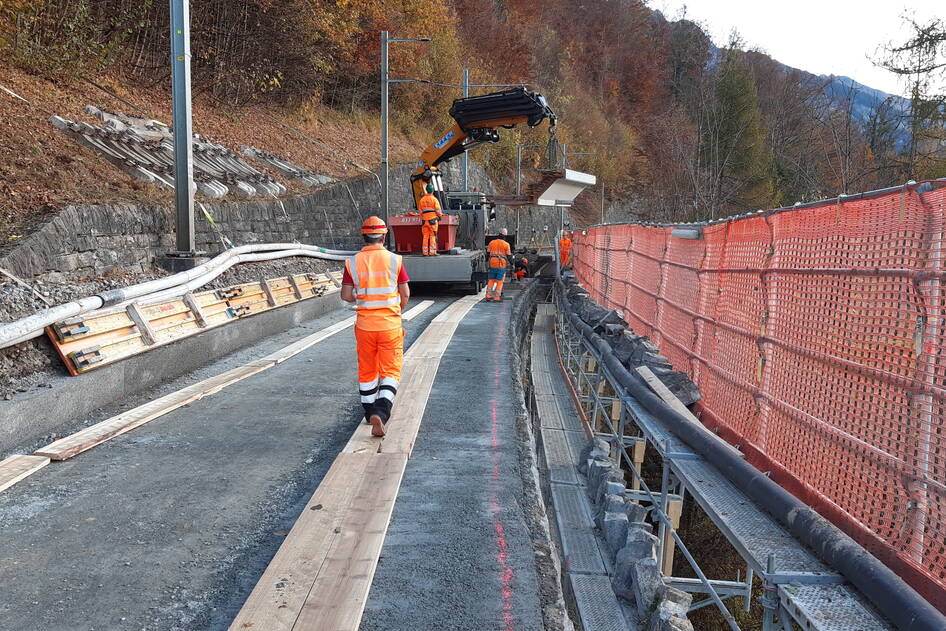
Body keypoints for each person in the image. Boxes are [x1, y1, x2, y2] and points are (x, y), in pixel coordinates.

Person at [341, 216, 410, 437]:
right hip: (389, 324)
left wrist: (363, 297)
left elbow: (346, 295)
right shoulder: (394, 260)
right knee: (390, 370)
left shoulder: (352, 262)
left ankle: (370, 410)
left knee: (367, 369)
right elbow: (405, 293)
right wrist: (395, 309)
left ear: (363, 235)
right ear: (384, 235)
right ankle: (381, 410)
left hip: (364, 325)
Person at [485, 228, 512, 302]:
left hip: (492, 263)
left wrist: (487, 262)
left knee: (491, 280)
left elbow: (487, 254)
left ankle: (488, 296)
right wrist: (512, 263)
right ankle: (496, 297)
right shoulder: (506, 244)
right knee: (499, 281)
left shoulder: (491, 242)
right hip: (501, 264)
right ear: (505, 236)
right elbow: (509, 256)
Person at [418, 183, 443, 256]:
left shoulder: (422, 200)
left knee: (425, 236)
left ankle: (425, 252)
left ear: (426, 190)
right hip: (433, 220)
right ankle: (432, 252)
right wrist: (440, 216)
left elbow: (420, 211)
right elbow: (438, 210)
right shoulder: (434, 199)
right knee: (432, 236)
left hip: (424, 221)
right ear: (432, 191)